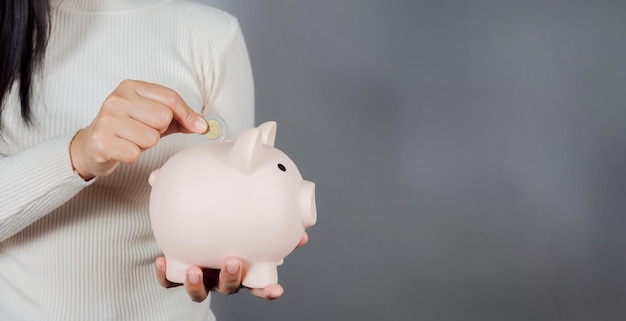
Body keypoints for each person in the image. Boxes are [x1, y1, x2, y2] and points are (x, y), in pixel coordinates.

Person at [0, 0, 308, 320]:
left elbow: (241, 200)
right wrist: (78, 154)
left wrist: (245, 253)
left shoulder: (212, 36)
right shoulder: (9, 26)